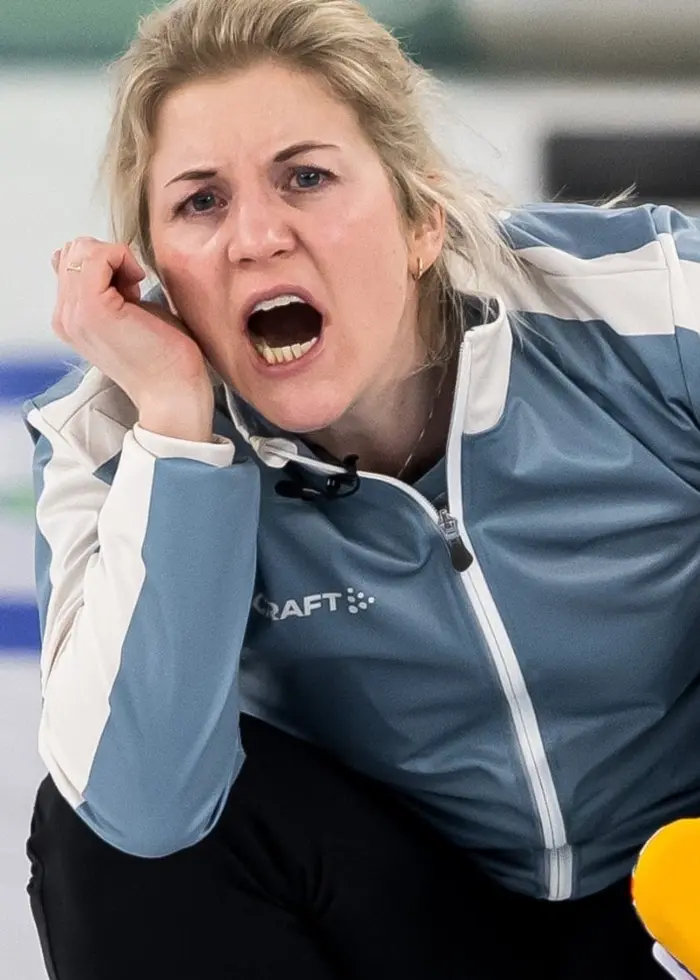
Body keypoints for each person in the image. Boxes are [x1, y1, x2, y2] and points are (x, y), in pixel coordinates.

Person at [22, 0, 700, 977]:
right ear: (161, 272)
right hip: (408, 920)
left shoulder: (653, 308)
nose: (255, 236)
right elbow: (136, 814)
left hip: (668, 890)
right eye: (199, 202)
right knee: (92, 823)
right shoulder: (117, 439)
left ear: (422, 220)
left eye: (306, 176)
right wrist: (179, 428)